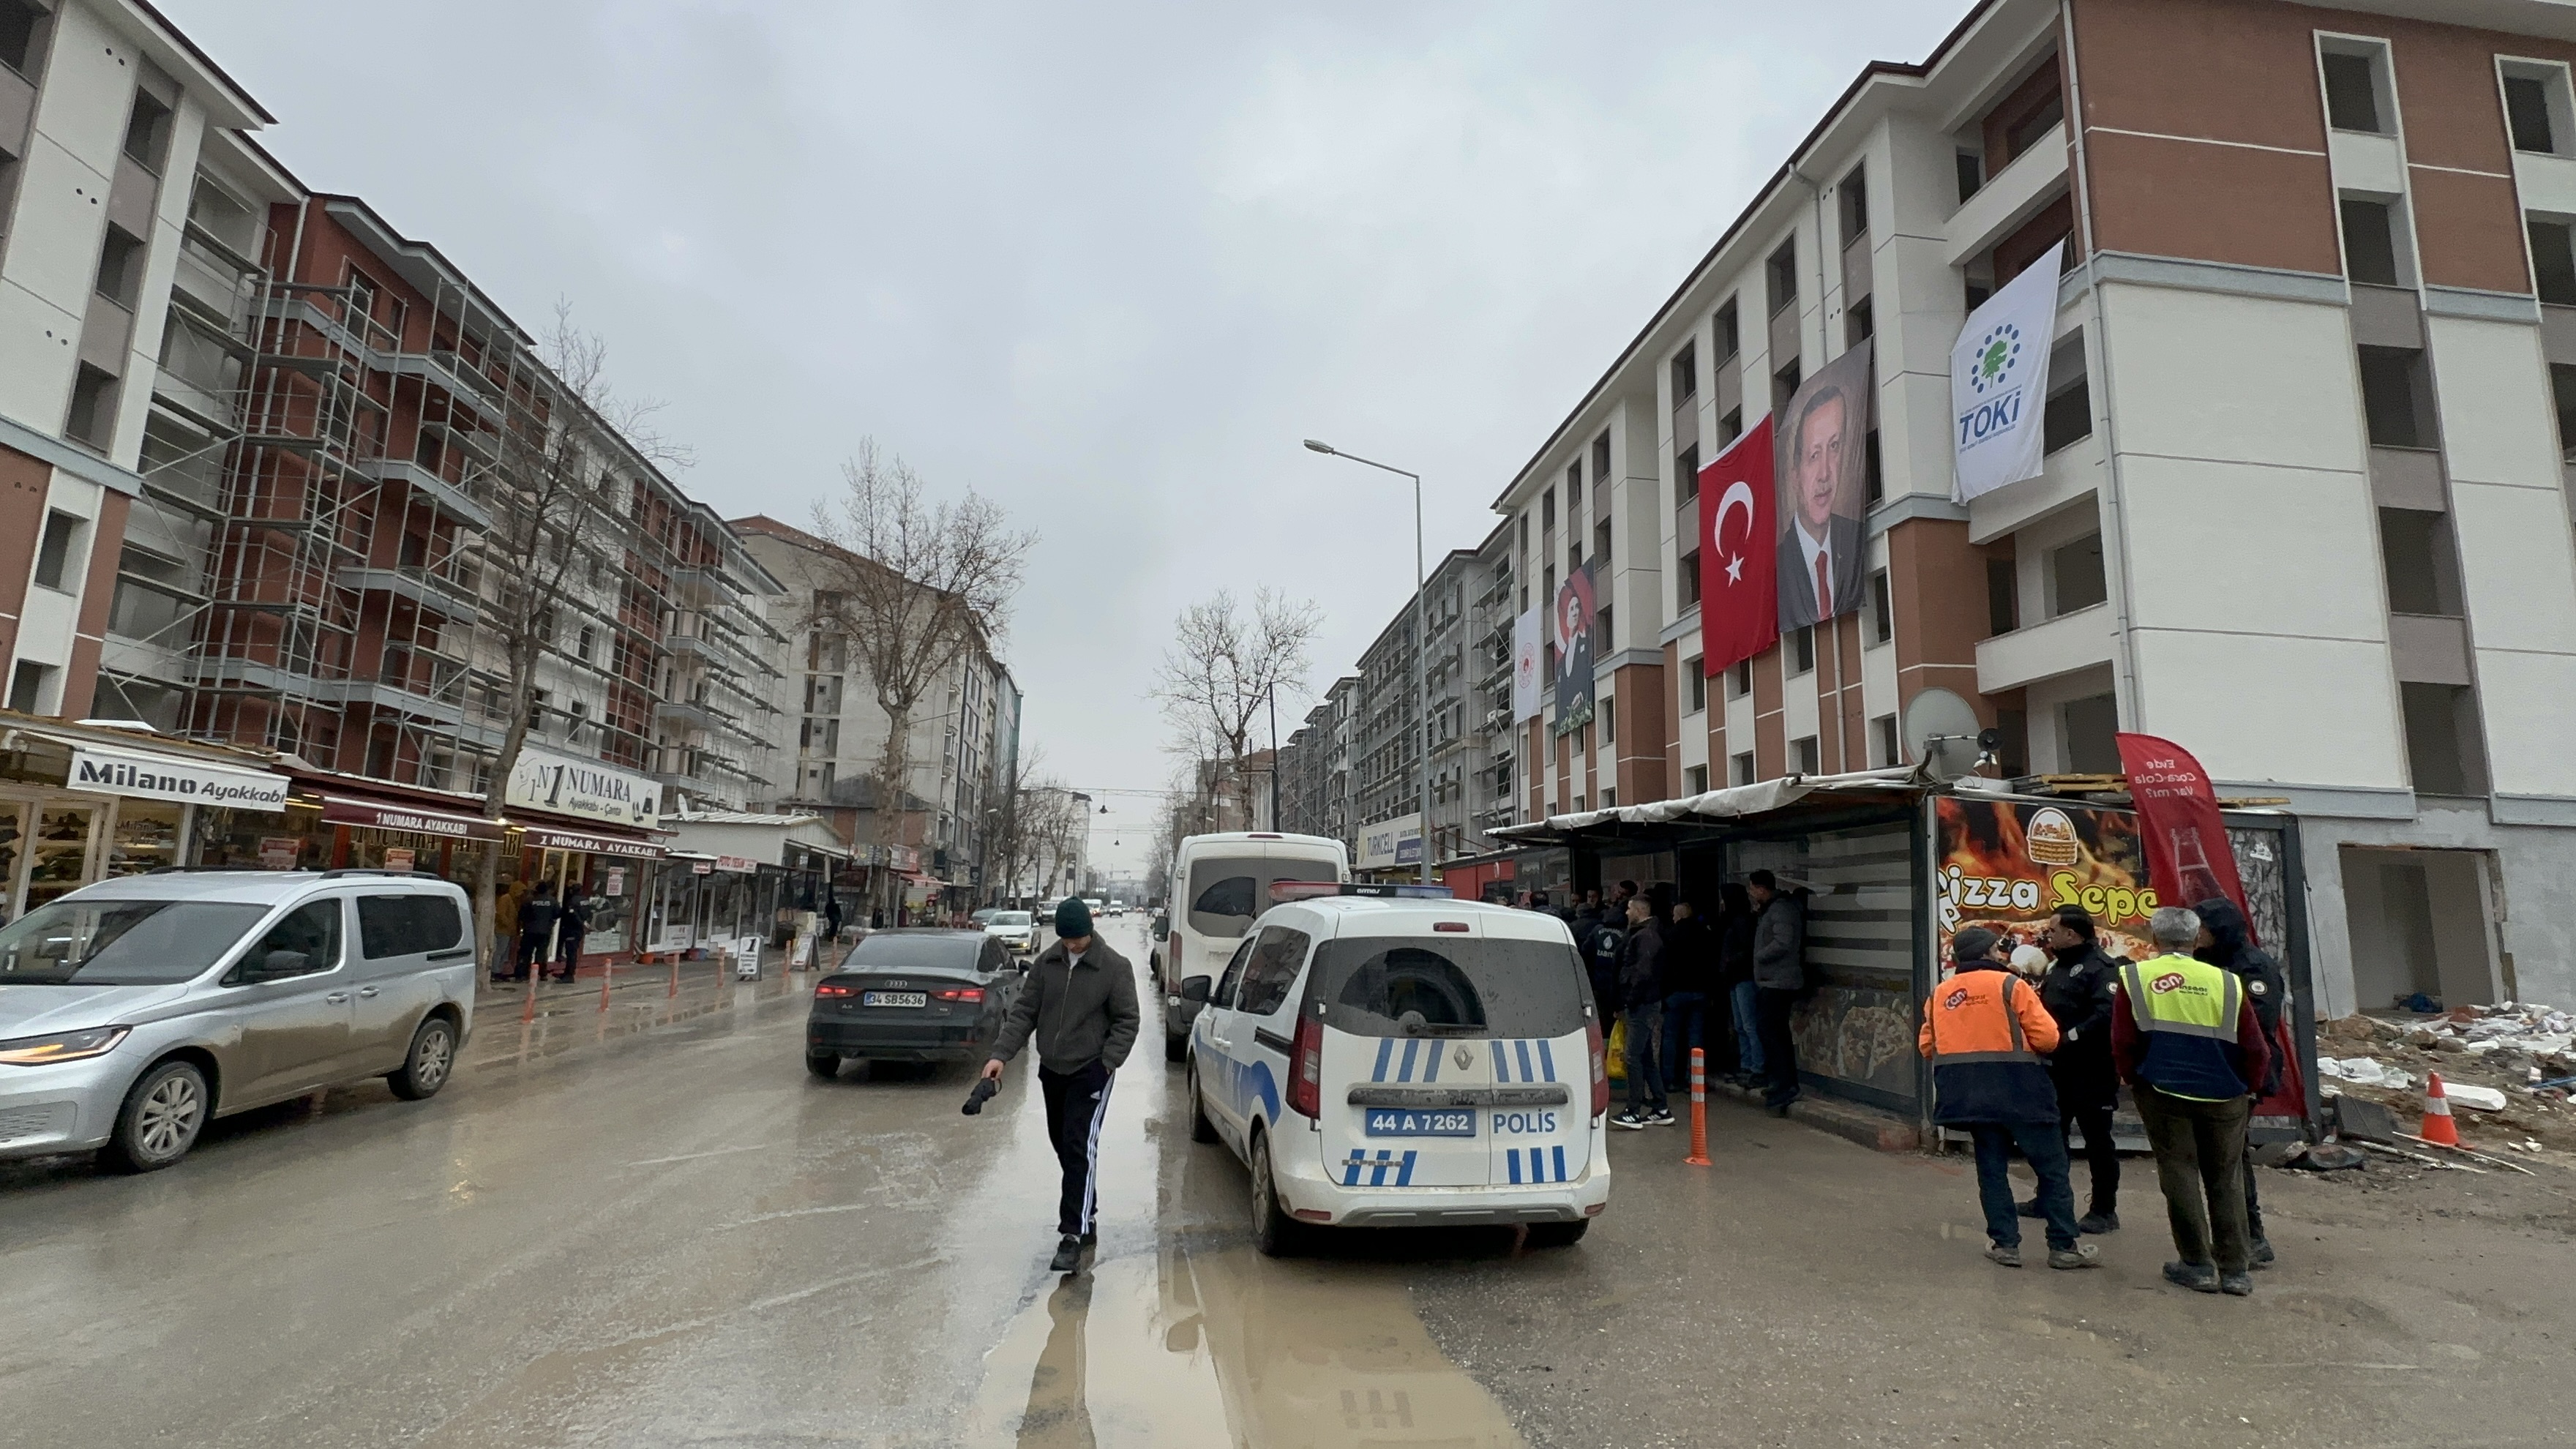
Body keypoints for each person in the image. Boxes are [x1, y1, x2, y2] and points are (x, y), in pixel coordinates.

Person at [2113, 905, 2272, 1298]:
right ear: (2195, 938)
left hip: (2162, 1091)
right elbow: (2256, 1047)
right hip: (2225, 1094)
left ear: (2155, 939)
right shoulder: (2227, 982)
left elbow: (2122, 1042)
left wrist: (2135, 1080)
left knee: (2179, 1174)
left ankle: (2197, 1265)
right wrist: (2248, 1087)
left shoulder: (2135, 977)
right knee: (2226, 1178)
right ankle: (2235, 1270)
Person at [1920, 927, 2097, 1271]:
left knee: (1991, 1171)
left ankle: (2005, 1245)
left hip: (1971, 1097)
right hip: (2023, 1092)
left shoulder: (1939, 994)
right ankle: (2063, 1247)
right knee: (2052, 1169)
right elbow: (2047, 1038)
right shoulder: (2011, 986)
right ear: (1990, 953)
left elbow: (1927, 1047)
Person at [983, 898, 1142, 1275]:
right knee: (1064, 1145)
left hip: (1091, 1070)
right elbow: (1024, 1013)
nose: (1073, 946)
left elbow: (1127, 1021)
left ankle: (1072, 1235)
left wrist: (1108, 1064)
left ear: (1090, 932)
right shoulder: (1046, 965)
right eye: (1067, 940)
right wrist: (1000, 1056)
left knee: (1077, 1143)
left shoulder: (1114, 967)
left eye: (1079, 939)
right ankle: (1086, 1211)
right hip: (1052, 1069)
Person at [2194, 896, 2286, 1269]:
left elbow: (2255, 1025)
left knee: (2230, 1159)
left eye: (2201, 930)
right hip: (2210, 1071)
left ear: (2219, 933)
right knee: (2219, 1157)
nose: (2195, 936)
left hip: (2239, 1073)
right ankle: (2237, 1233)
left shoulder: (2253, 968)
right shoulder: (2205, 963)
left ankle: (2252, 1236)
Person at [2020, 907, 2123, 1234]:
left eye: (2053, 931)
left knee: (2097, 1141)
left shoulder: (2102, 968)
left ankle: (2104, 1210)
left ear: (2072, 934)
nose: (2048, 936)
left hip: (2092, 1069)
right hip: (2057, 1067)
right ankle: (2048, 1198)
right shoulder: (2056, 965)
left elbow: (2106, 1016)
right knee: (2052, 1136)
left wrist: (2069, 1037)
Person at [1775, 383, 1864, 629]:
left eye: (1834, 447)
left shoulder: (1854, 537)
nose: (1825, 473)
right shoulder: (1778, 565)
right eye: (1814, 456)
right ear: (1795, 475)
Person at [1747, 869, 1805, 1115]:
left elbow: (1783, 941)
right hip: (1772, 981)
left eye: (1752, 888)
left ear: (1761, 889)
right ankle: (1781, 1082)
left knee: (1771, 1032)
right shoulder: (1772, 908)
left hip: (1778, 982)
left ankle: (1785, 1084)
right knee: (1773, 1032)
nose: (1750, 893)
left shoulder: (1780, 909)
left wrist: (1760, 956)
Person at [1610, 896, 1671, 1129]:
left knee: (1632, 1057)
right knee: (1645, 1057)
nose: (1625, 913)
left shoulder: (1645, 937)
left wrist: (1629, 999)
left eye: (1628, 908)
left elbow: (1642, 973)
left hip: (1642, 1004)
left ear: (1639, 910)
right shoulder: (1645, 934)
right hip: (1643, 1003)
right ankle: (1660, 1107)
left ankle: (1633, 1111)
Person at [1660, 899, 1718, 1090]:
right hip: (1700, 991)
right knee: (1696, 1036)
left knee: (1671, 1036)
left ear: (1677, 916)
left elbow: (1664, 966)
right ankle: (1694, 1078)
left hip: (1676, 992)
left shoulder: (1670, 935)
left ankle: (1669, 1079)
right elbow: (1712, 964)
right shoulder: (1706, 934)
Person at [1718, 883, 1760, 1087]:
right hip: (1736, 978)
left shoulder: (1743, 921)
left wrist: (1729, 961)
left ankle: (1756, 1067)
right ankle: (1747, 1065)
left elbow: (1748, 950)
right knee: (1741, 1025)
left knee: (1749, 1024)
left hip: (1744, 977)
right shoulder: (1735, 920)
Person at [514, 881, 558, 984]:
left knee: (525, 953)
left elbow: (521, 915)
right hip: (545, 931)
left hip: (530, 931)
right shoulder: (552, 901)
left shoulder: (529, 900)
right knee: (541, 953)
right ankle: (541, 974)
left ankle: (521, 975)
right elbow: (557, 914)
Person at [552, 883, 588, 984]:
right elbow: (589, 913)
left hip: (572, 930)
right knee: (572, 952)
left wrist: (554, 915)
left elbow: (568, 914)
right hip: (578, 930)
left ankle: (569, 975)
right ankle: (567, 972)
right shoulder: (585, 900)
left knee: (571, 953)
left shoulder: (572, 902)